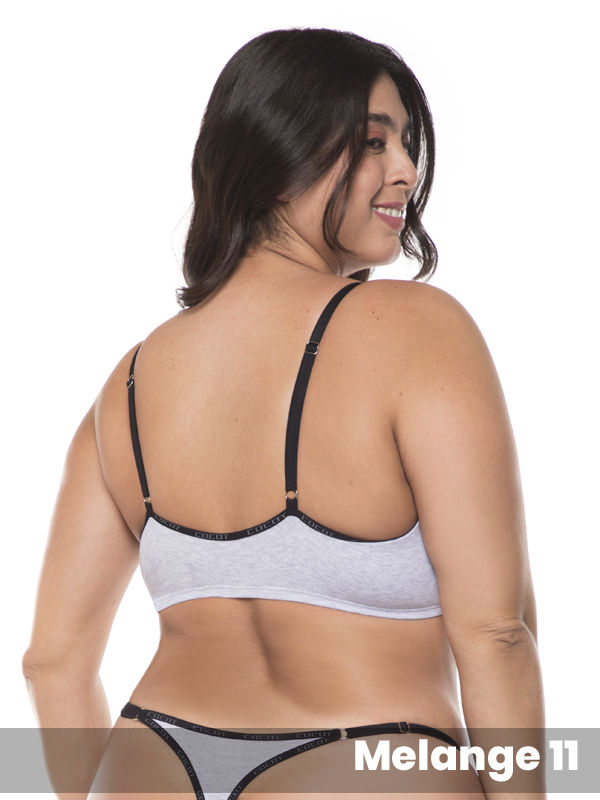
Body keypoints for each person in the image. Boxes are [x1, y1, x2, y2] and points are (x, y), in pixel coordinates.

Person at [22, 27, 544, 800]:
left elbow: (52, 661)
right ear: (280, 152)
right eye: (374, 142)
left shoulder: (129, 382)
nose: (406, 170)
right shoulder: (416, 332)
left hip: (153, 762)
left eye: (407, 143)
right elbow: (496, 633)